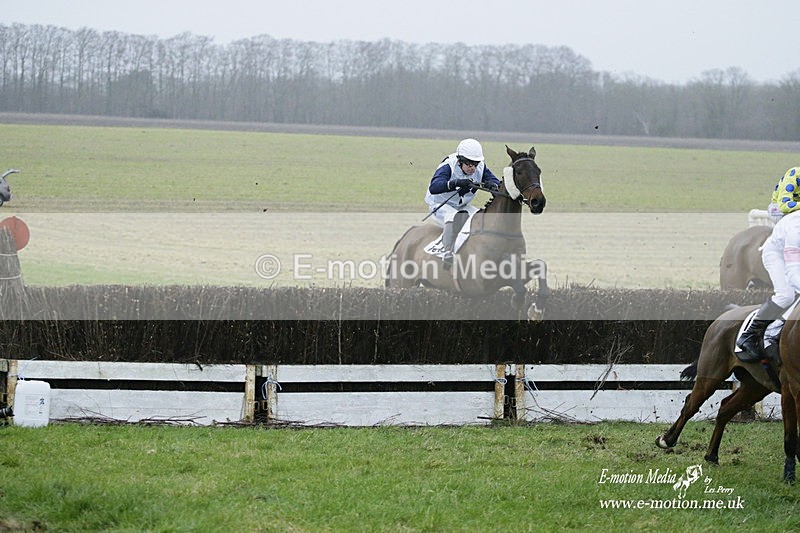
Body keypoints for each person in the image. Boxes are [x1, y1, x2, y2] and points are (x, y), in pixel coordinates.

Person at [736, 207, 800, 363]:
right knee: (786, 295)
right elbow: (792, 272)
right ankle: (752, 334)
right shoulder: (796, 228)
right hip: (776, 254)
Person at [424, 139, 500, 269]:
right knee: (453, 217)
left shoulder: (480, 167)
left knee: (481, 218)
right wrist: (455, 183)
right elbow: (434, 187)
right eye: (469, 164)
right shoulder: (448, 165)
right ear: (460, 161)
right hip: (439, 205)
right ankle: (447, 253)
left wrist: (492, 185)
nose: (473, 168)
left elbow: (496, 183)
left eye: (475, 164)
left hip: (462, 206)